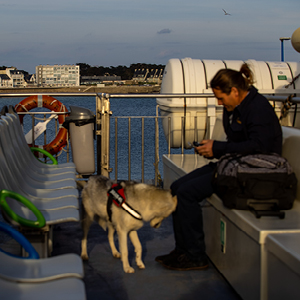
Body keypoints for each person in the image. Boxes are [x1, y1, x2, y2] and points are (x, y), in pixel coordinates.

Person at [155, 63, 282, 271]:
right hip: (237, 165)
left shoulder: (258, 109)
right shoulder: (234, 108)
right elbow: (237, 144)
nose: (219, 103)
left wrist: (219, 148)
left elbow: (261, 147)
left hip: (258, 173)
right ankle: (183, 250)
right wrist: (212, 147)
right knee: (177, 187)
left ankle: (196, 256)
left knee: (187, 194)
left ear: (234, 91)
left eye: (221, 98)